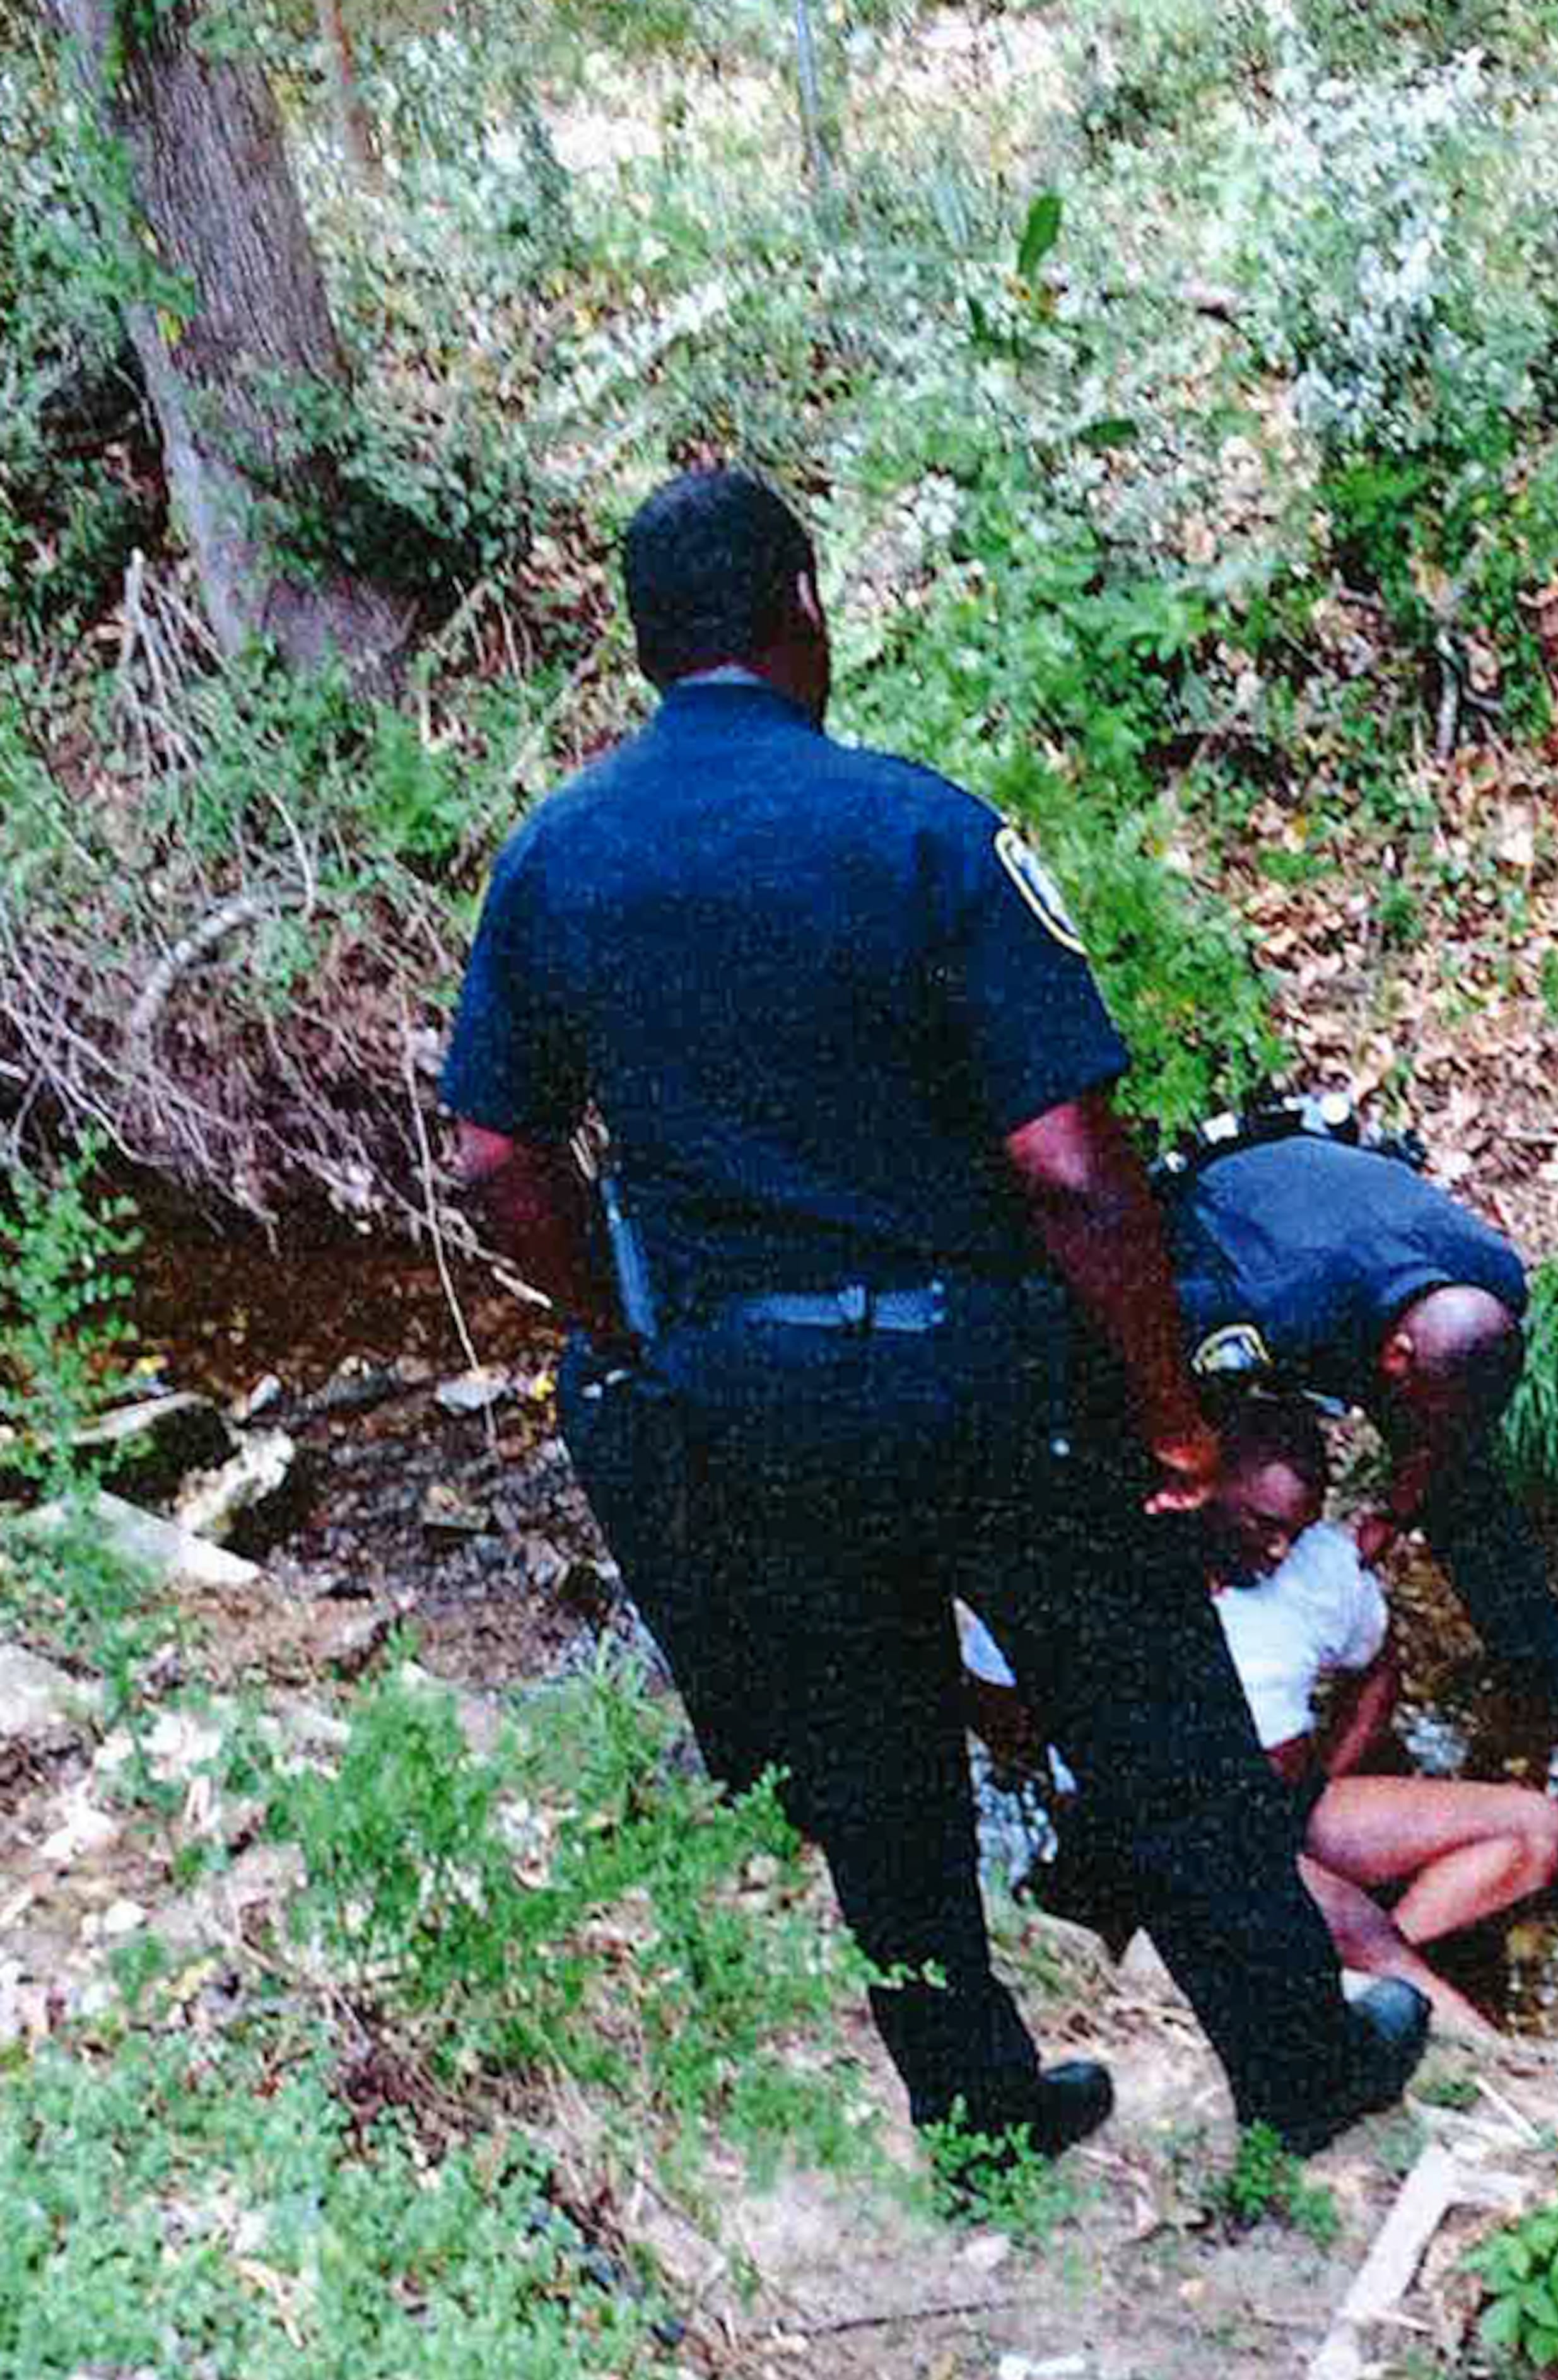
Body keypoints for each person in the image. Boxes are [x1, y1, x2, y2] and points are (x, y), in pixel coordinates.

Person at [440, 464, 1428, 2173]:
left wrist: (640, 1330)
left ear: (645, 643)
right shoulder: (922, 830)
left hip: (748, 1392)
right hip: (986, 1372)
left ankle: (977, 2108)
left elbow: (496, 1159)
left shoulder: (555, 861)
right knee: (1155, 1716)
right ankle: (1298, 2063)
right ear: (803, 610)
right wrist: (1177, 1421)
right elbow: (1071, 1168)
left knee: (871, 1756)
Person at [961, 1396, 1558, 2039]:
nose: (1280, 1550)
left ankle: (1352, 1959)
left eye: (1296, 1530)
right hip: (1161, 1834)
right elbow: (996, 1703)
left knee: (1536, 1829)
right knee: (1357, 1927)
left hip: (1279, 1808)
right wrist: (1071, 1775)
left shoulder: (1322, 1569)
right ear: (1205, 1486)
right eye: (1261, 1524)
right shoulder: (1090, 1568)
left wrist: (1325, 1771)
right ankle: (1479, 2047)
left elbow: (1377, 1674)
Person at [1164, 1133, 1558, 1731]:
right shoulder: (1274, 1306)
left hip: (1349, 1253)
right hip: (1226, 1220)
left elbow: (1450, 1431)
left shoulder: (1492, 1280)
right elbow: (1171, 1391)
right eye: (1417, 1408)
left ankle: (1543, 1669)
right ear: (1395, 1359)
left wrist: (1396, 1512)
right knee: (1212, 1471)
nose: (1421, 1425)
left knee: (1465, 1486)